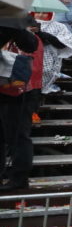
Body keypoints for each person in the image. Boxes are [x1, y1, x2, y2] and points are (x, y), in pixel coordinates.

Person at [0, 27, 40, 191]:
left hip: (17, 88)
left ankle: (19, 178)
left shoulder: (15, 19)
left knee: (18, 135)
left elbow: (31, 45)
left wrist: (14, 26)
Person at [32, 11, 72, 99]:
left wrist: (42, 34)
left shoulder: (59, 27)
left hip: (49, 60)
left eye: (44, 13)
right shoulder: (24, 25)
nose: (40, 15)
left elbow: (62, 44)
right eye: (37, 12)